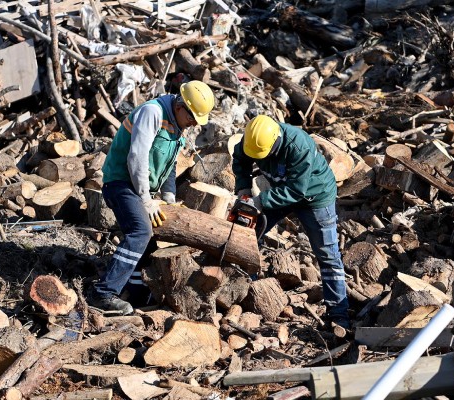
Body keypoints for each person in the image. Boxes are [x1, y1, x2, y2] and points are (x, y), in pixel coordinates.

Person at [90, 80, 215, 315]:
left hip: (137, 186)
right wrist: (146, 200)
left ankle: (137, 292)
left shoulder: (178, 127)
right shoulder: (152, 112)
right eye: (192, 118)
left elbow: (170, 164)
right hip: (120, 182)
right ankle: (103, 293)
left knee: (151, 236)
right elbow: (136, 157)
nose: (193, 124)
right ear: (180, 107)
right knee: (140, 231)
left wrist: (168, 196)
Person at [232, 115, 350, 328]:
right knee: (251, 229)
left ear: (276, 142)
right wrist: (243, 188)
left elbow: (297, 190)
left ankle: (339, 313)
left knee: (327, 254)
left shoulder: (298, 146)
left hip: (315, 196)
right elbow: (240, 159)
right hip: (281, 189)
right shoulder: (253, 139)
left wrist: (261, 200)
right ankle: (246, 285)